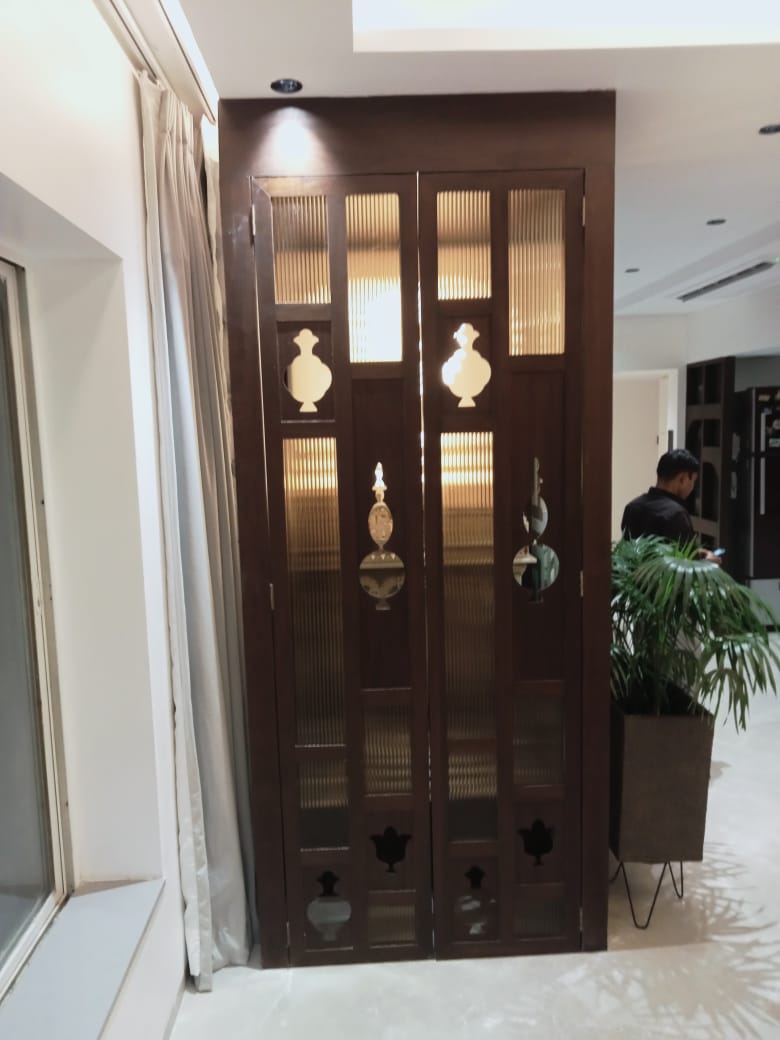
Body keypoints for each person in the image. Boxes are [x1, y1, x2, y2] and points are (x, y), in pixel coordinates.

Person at [621, 449, 721, 562]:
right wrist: (708, 562)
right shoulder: (676, 515)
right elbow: (684, 566)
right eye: (693, 481)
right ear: (682, 479)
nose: (692, 487)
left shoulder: (632, 507)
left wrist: (695, 552)